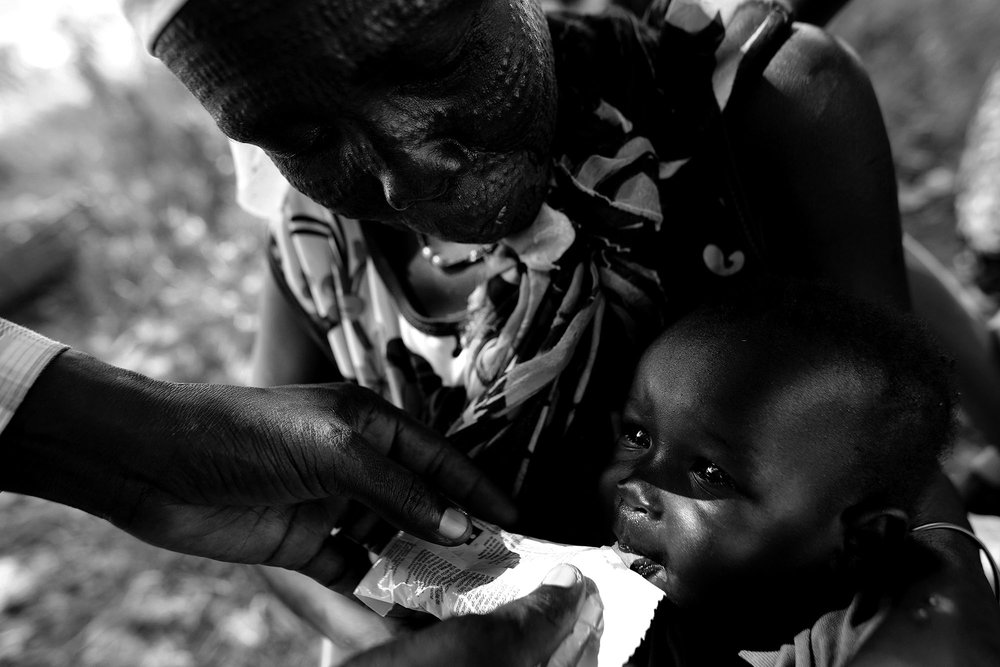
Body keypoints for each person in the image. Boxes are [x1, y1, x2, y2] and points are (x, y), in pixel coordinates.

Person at [121, 0, 1000, 663]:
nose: (406, 174)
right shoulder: (312, 247)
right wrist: (408, 637)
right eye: (302, 135)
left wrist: (943, 613)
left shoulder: (755, 99)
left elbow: (888, 453)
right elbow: (273, 509)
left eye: (435, 63)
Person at [603, 280, 957, 665]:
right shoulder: (581, 591)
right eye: (638, 436)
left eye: (710, 472)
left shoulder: (864, 649)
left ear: (861, 542)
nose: (634, 486)